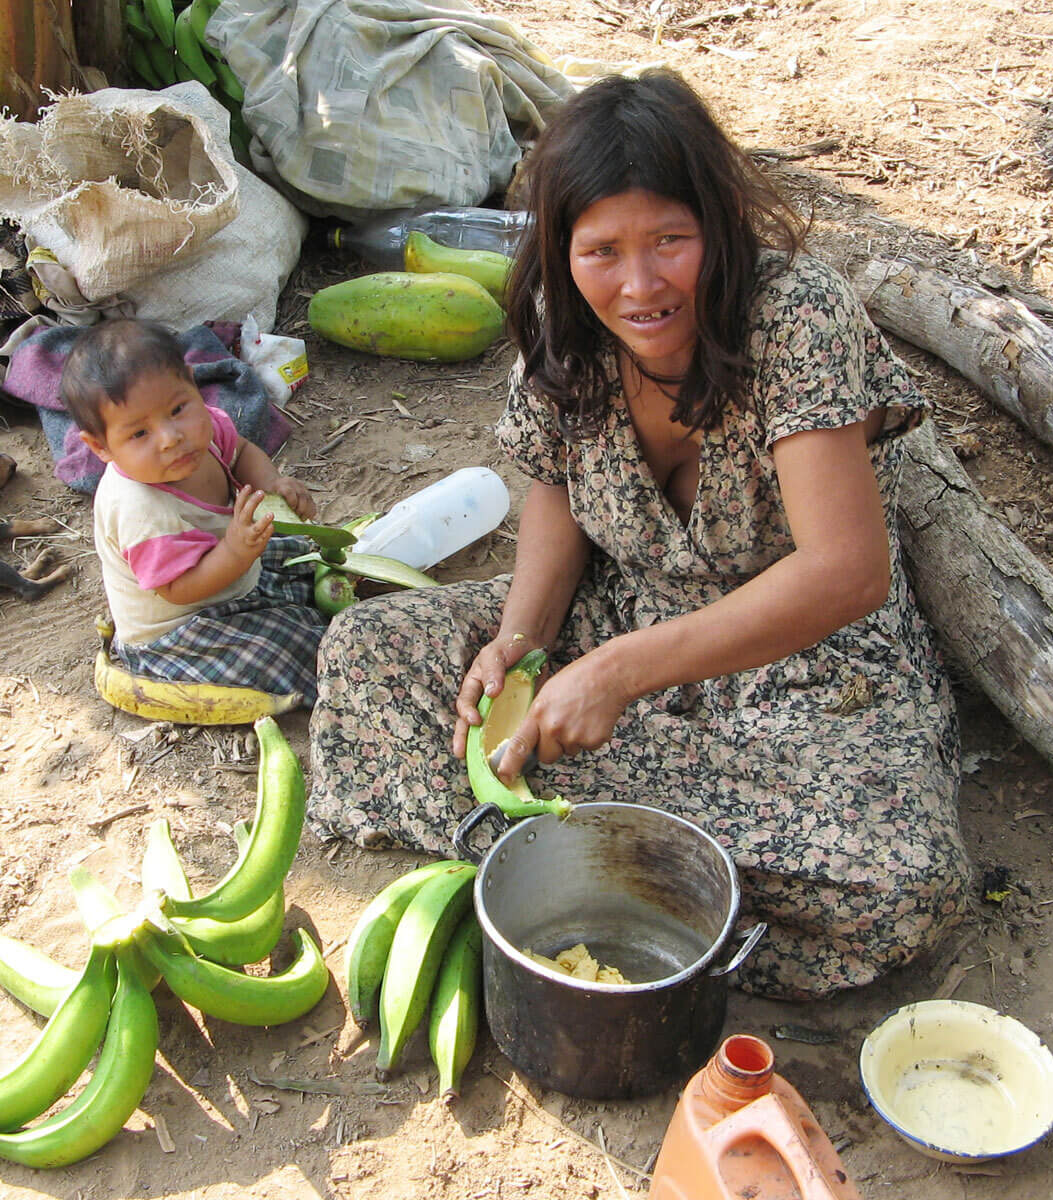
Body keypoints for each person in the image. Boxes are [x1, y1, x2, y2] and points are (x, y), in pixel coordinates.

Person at [308, 69, 971, 1000]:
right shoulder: (565, 323)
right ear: (561, 250)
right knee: (368, 654)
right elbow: (553, 492)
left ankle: (557, 853)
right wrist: (522, 644)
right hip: (615, 614)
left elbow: (847, 572)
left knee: (903, 879)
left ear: (721, 226)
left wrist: (618, 674)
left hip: (805, 665)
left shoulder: (796, 316)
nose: (640, 284)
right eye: (602, 250)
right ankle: (649, 869)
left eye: (670, 240)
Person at [61, 318, 326, 701]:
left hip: (233, 568)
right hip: (184, 628)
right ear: (99, 446)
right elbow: (179, 589)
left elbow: (241, 453)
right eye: (139, 433)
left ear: (191, 382)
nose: (171, 438)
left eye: (177, 409)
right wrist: (235, 551)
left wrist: (272, 485)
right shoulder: (141, 511)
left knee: (311, 558)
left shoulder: (203, 430)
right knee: (296, 649)